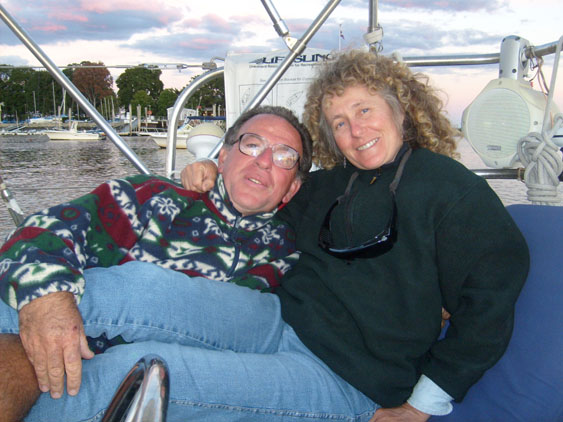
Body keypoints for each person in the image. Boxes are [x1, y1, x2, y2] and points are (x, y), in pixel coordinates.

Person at [177, 50, 529, 421]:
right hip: (272, 320)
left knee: (159, 375)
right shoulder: (323, 186)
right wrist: (212, 172)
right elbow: (256, 209)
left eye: (364, 110)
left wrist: (419, 407)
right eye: (340, 123)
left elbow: (489, 305)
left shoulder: (452, 190)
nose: (356, 130)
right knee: (142, 288)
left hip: (347, 378)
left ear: (399, 109)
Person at [0, 105, 313, 422]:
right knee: (19, 348)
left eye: (284, 156)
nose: (264, 161)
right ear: (223, 158)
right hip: (66, 351)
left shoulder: (290, 254)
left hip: (171, 393)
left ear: (293, 188)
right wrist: (48, 301)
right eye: (252, 145)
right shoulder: (151, 197)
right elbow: (44, 229)